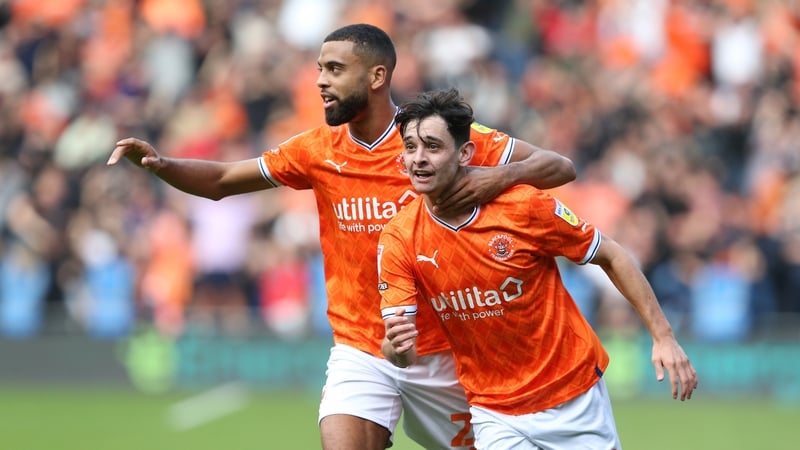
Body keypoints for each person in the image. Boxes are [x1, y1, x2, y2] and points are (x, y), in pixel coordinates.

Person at [107, 24, 576, 450]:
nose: (320, 81)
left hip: (446, 353)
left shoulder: (431, 141)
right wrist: (162, 165)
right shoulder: (316, 151)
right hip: (361, 348)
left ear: (376, 77)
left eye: (334, 69)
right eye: (318, 70)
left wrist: (490, 180)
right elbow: (224, 179)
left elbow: (558, 166)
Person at [379, 88, 698, 449]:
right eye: (410, 147)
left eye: (433, 147)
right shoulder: (399, 237)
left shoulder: (522, 206)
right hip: (493, 409)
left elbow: (610, 254)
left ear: (465, 152)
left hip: (572, 396)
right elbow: (399, 353)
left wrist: (663, 336)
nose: (418, 159)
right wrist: (396, 347)